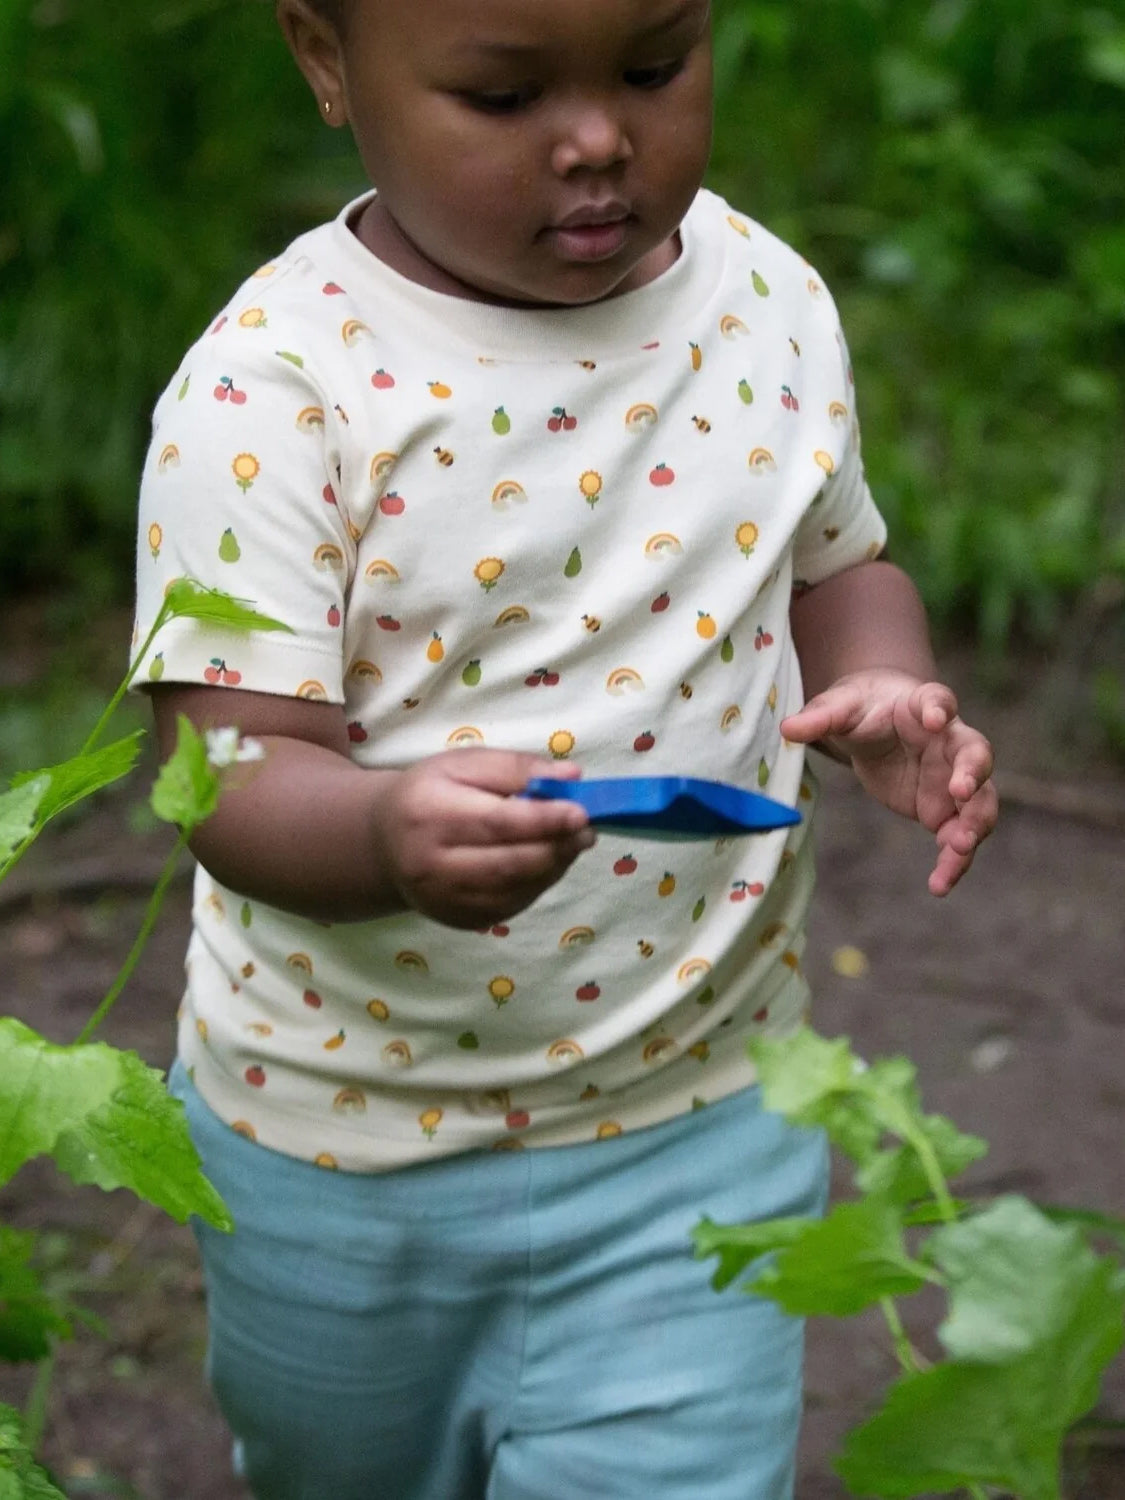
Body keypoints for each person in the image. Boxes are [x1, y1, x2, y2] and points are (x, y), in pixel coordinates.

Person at [132, 0, 998, 1495]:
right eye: (503, 92)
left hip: (701, 1112)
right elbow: (226, 763)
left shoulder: (765, 301)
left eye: (653, 68)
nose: (598, 136)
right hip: (344, 1151)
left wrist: (884, 682)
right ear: (328, 61)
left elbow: (838, 565)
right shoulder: (273, 392)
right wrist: (382, 835)